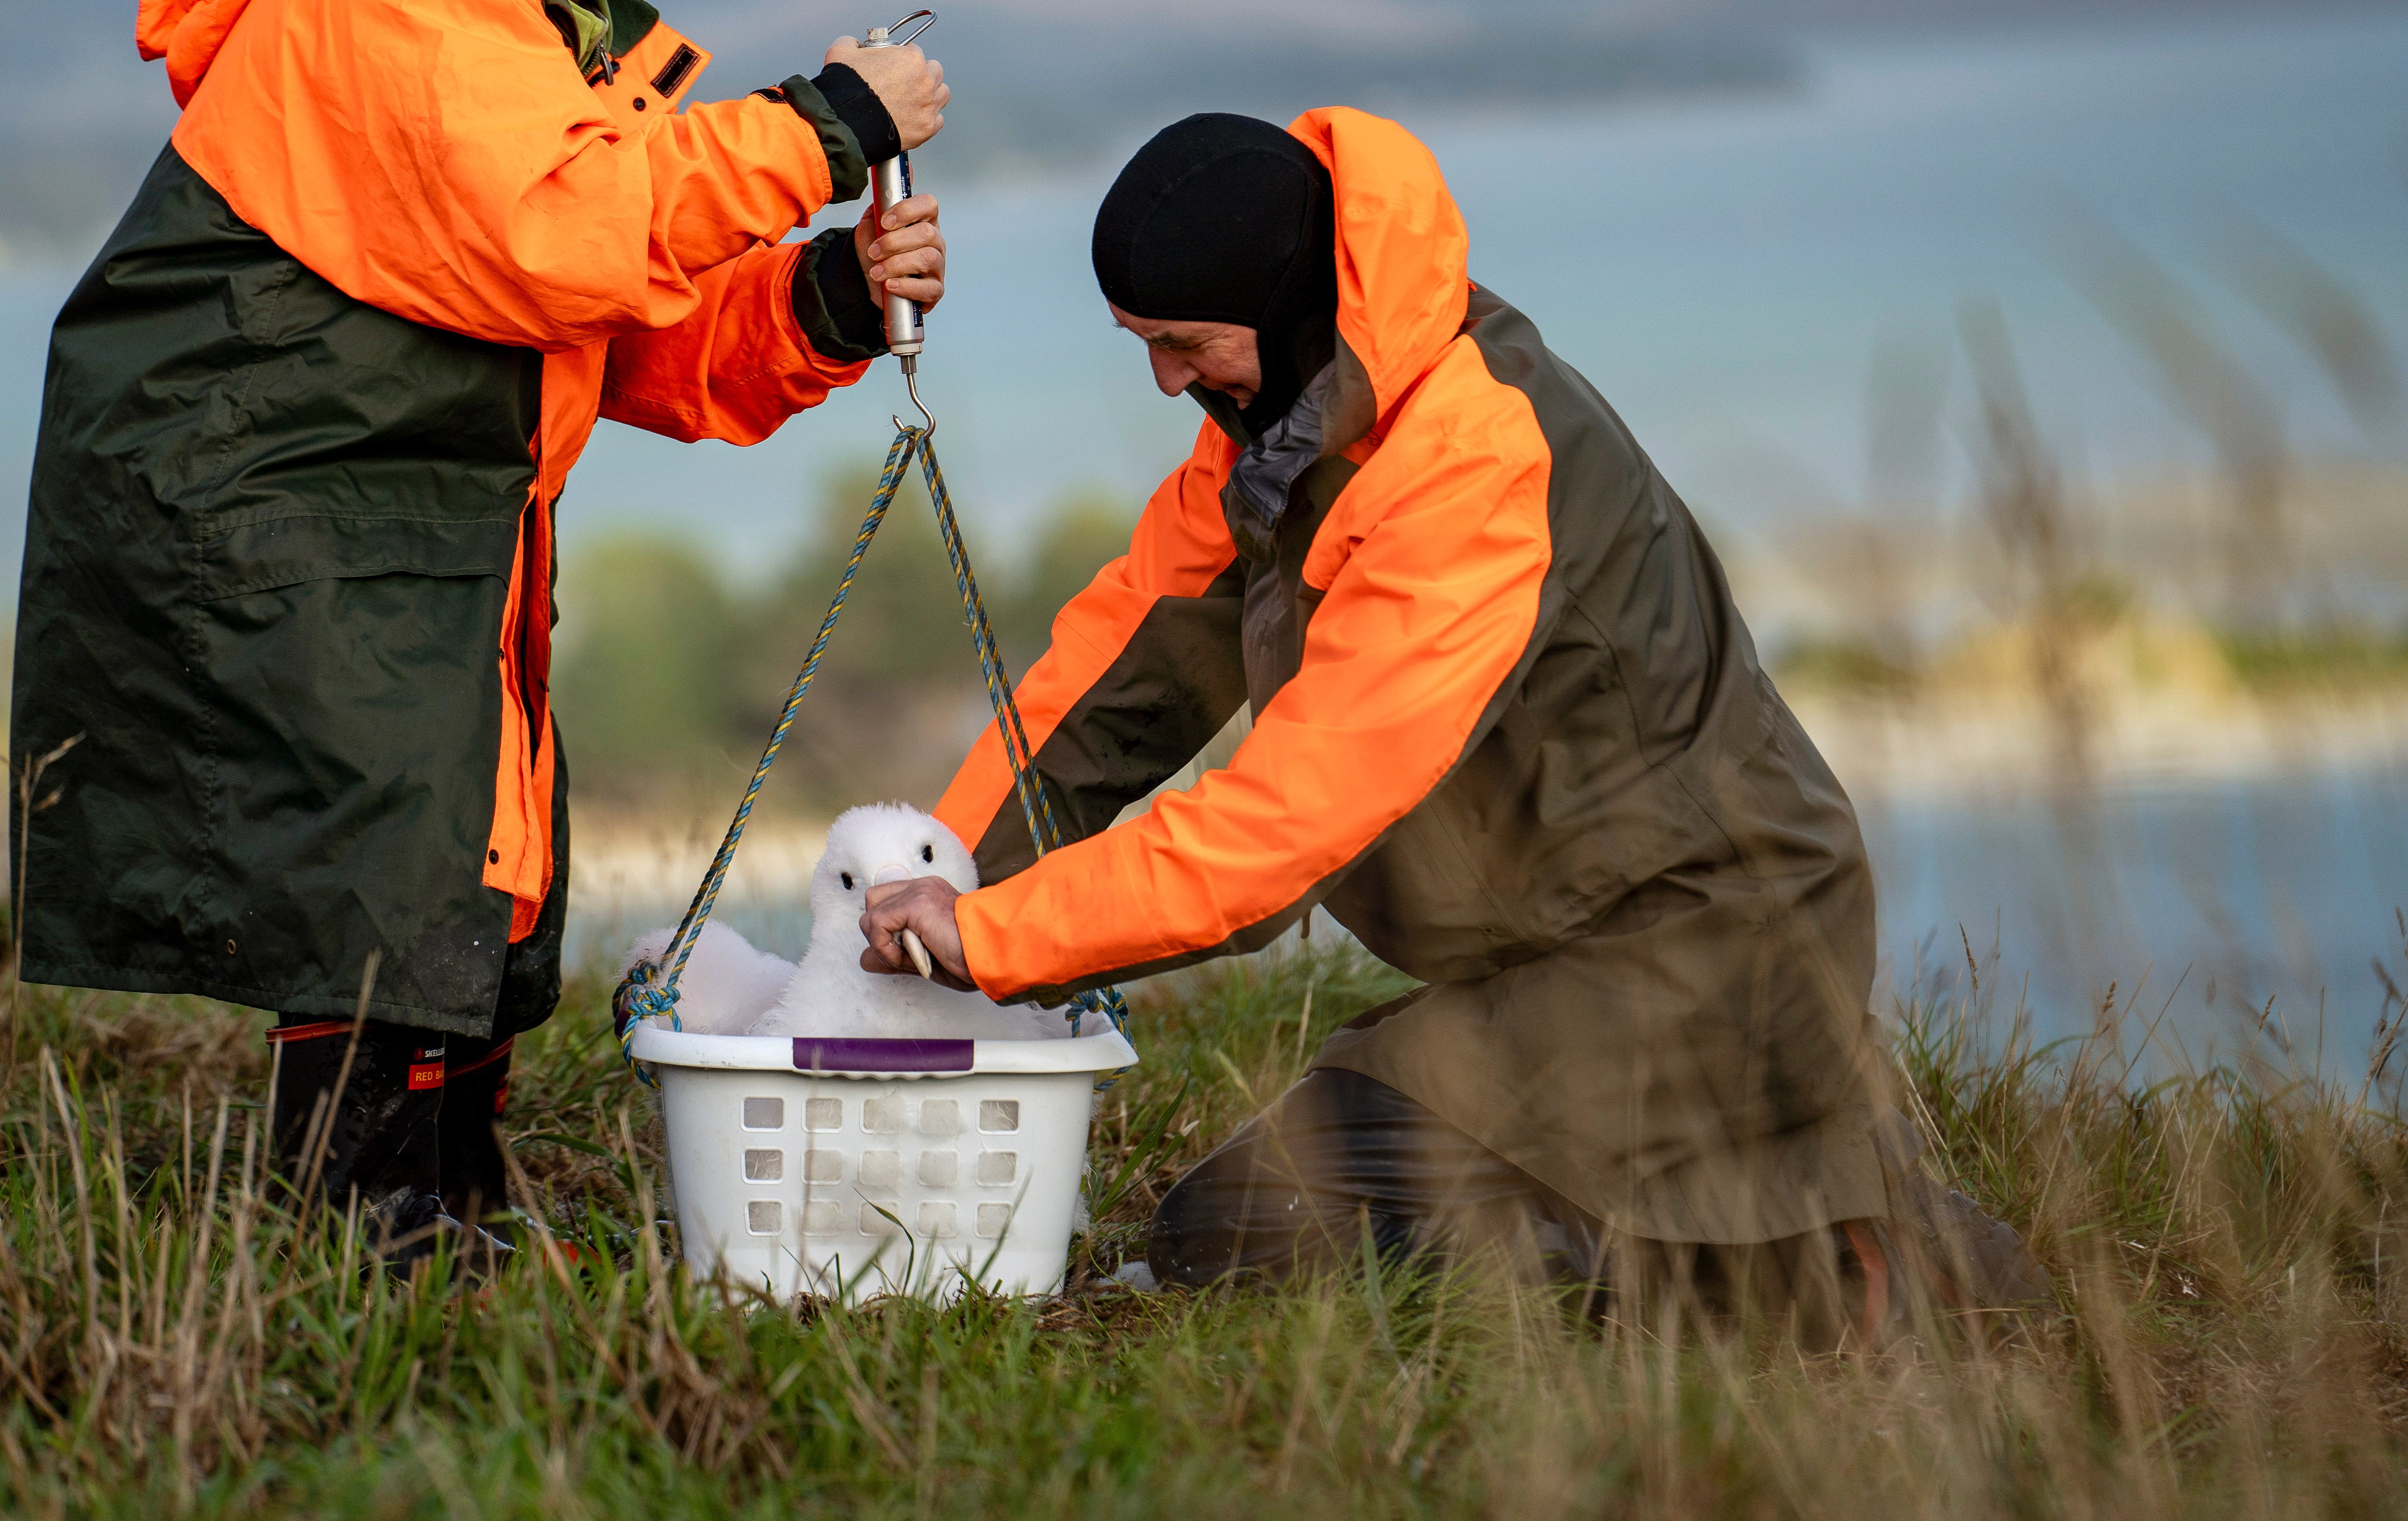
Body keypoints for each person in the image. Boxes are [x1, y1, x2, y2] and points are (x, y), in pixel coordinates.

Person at [8, 0, 948, 1251]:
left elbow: (621, 319)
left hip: (405, 504)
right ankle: (369, 1230)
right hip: (266, 498)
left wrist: (828, 301)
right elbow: (569, 234)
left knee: (483, 867)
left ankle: (447, 1205)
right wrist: (824, 126)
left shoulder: (522, 22)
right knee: (399, 859)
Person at [854, 109, 2044, 1332]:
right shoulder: (1285, 432)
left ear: (1285, 300)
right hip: (1554, 957)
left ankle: (1870, 1271)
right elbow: (1108, 687)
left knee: (1241, 1235)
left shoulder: (1471, 465)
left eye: (1183, 341)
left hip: (1709, 948)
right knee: (1246, 1227)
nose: (1164, 377)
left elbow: (1279, 835)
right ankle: (1777, 1190)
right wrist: (917, 881)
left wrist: (991, 936)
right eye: (1140, 343)